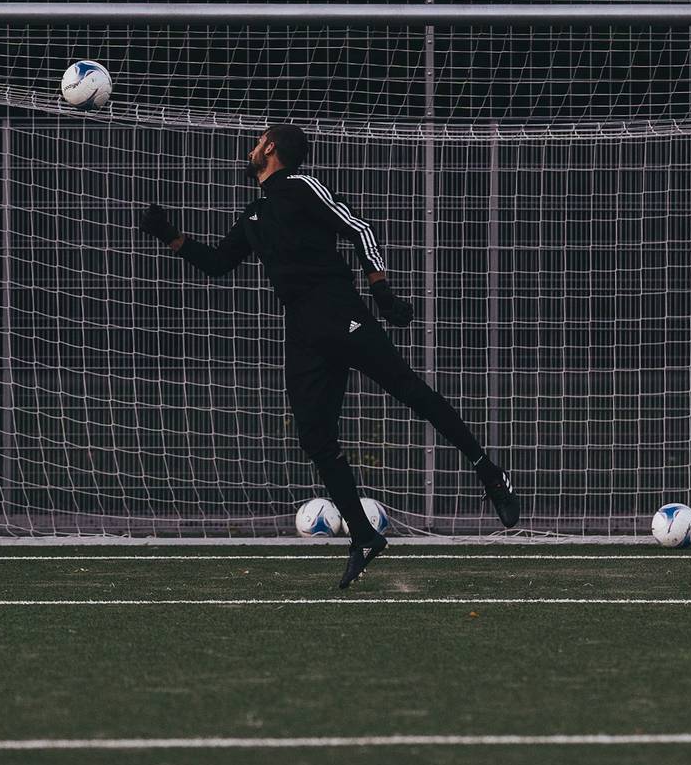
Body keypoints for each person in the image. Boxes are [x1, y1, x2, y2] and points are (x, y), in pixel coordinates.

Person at [135, 124, 519, 588]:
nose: (252, 149)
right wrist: (169, 235)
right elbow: (218, 263)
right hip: (303, 334)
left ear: (271, 148)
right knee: (315, 438)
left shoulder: (301, 186)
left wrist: (382, 294)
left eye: (258, 142)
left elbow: (359, 229)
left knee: (412, 393)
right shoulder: (255, 214)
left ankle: (489, 473)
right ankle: (363, 535)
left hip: (342, 314)